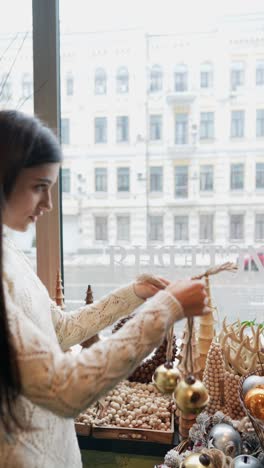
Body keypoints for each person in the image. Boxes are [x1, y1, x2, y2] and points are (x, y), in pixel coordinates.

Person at [0, 110, 209, 468]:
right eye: (39, 187)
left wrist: (134, 293)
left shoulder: (9, 252)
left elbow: (61, 331)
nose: (48, 205)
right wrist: (167, 309)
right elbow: (63, 390)